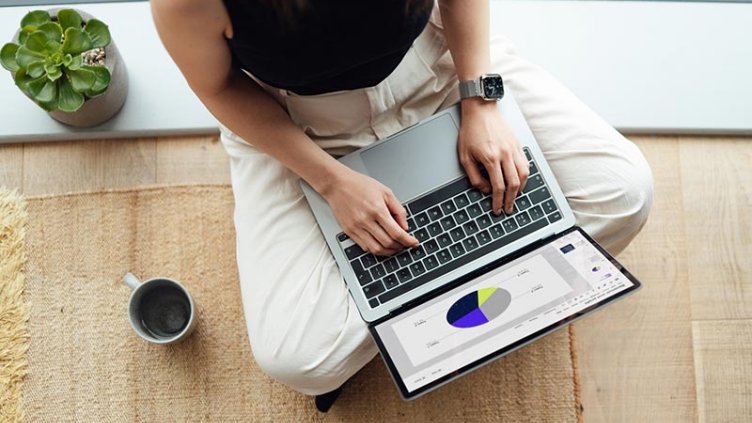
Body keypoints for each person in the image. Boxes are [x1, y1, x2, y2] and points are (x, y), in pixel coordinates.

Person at [151, 0, 654, 412]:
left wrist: (479, 101)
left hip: (437, 69)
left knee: (624, 193)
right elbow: (217, 86)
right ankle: (465, 276)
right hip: (295, 122)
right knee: (300, 360)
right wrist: (331, 182)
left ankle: (444, 288)